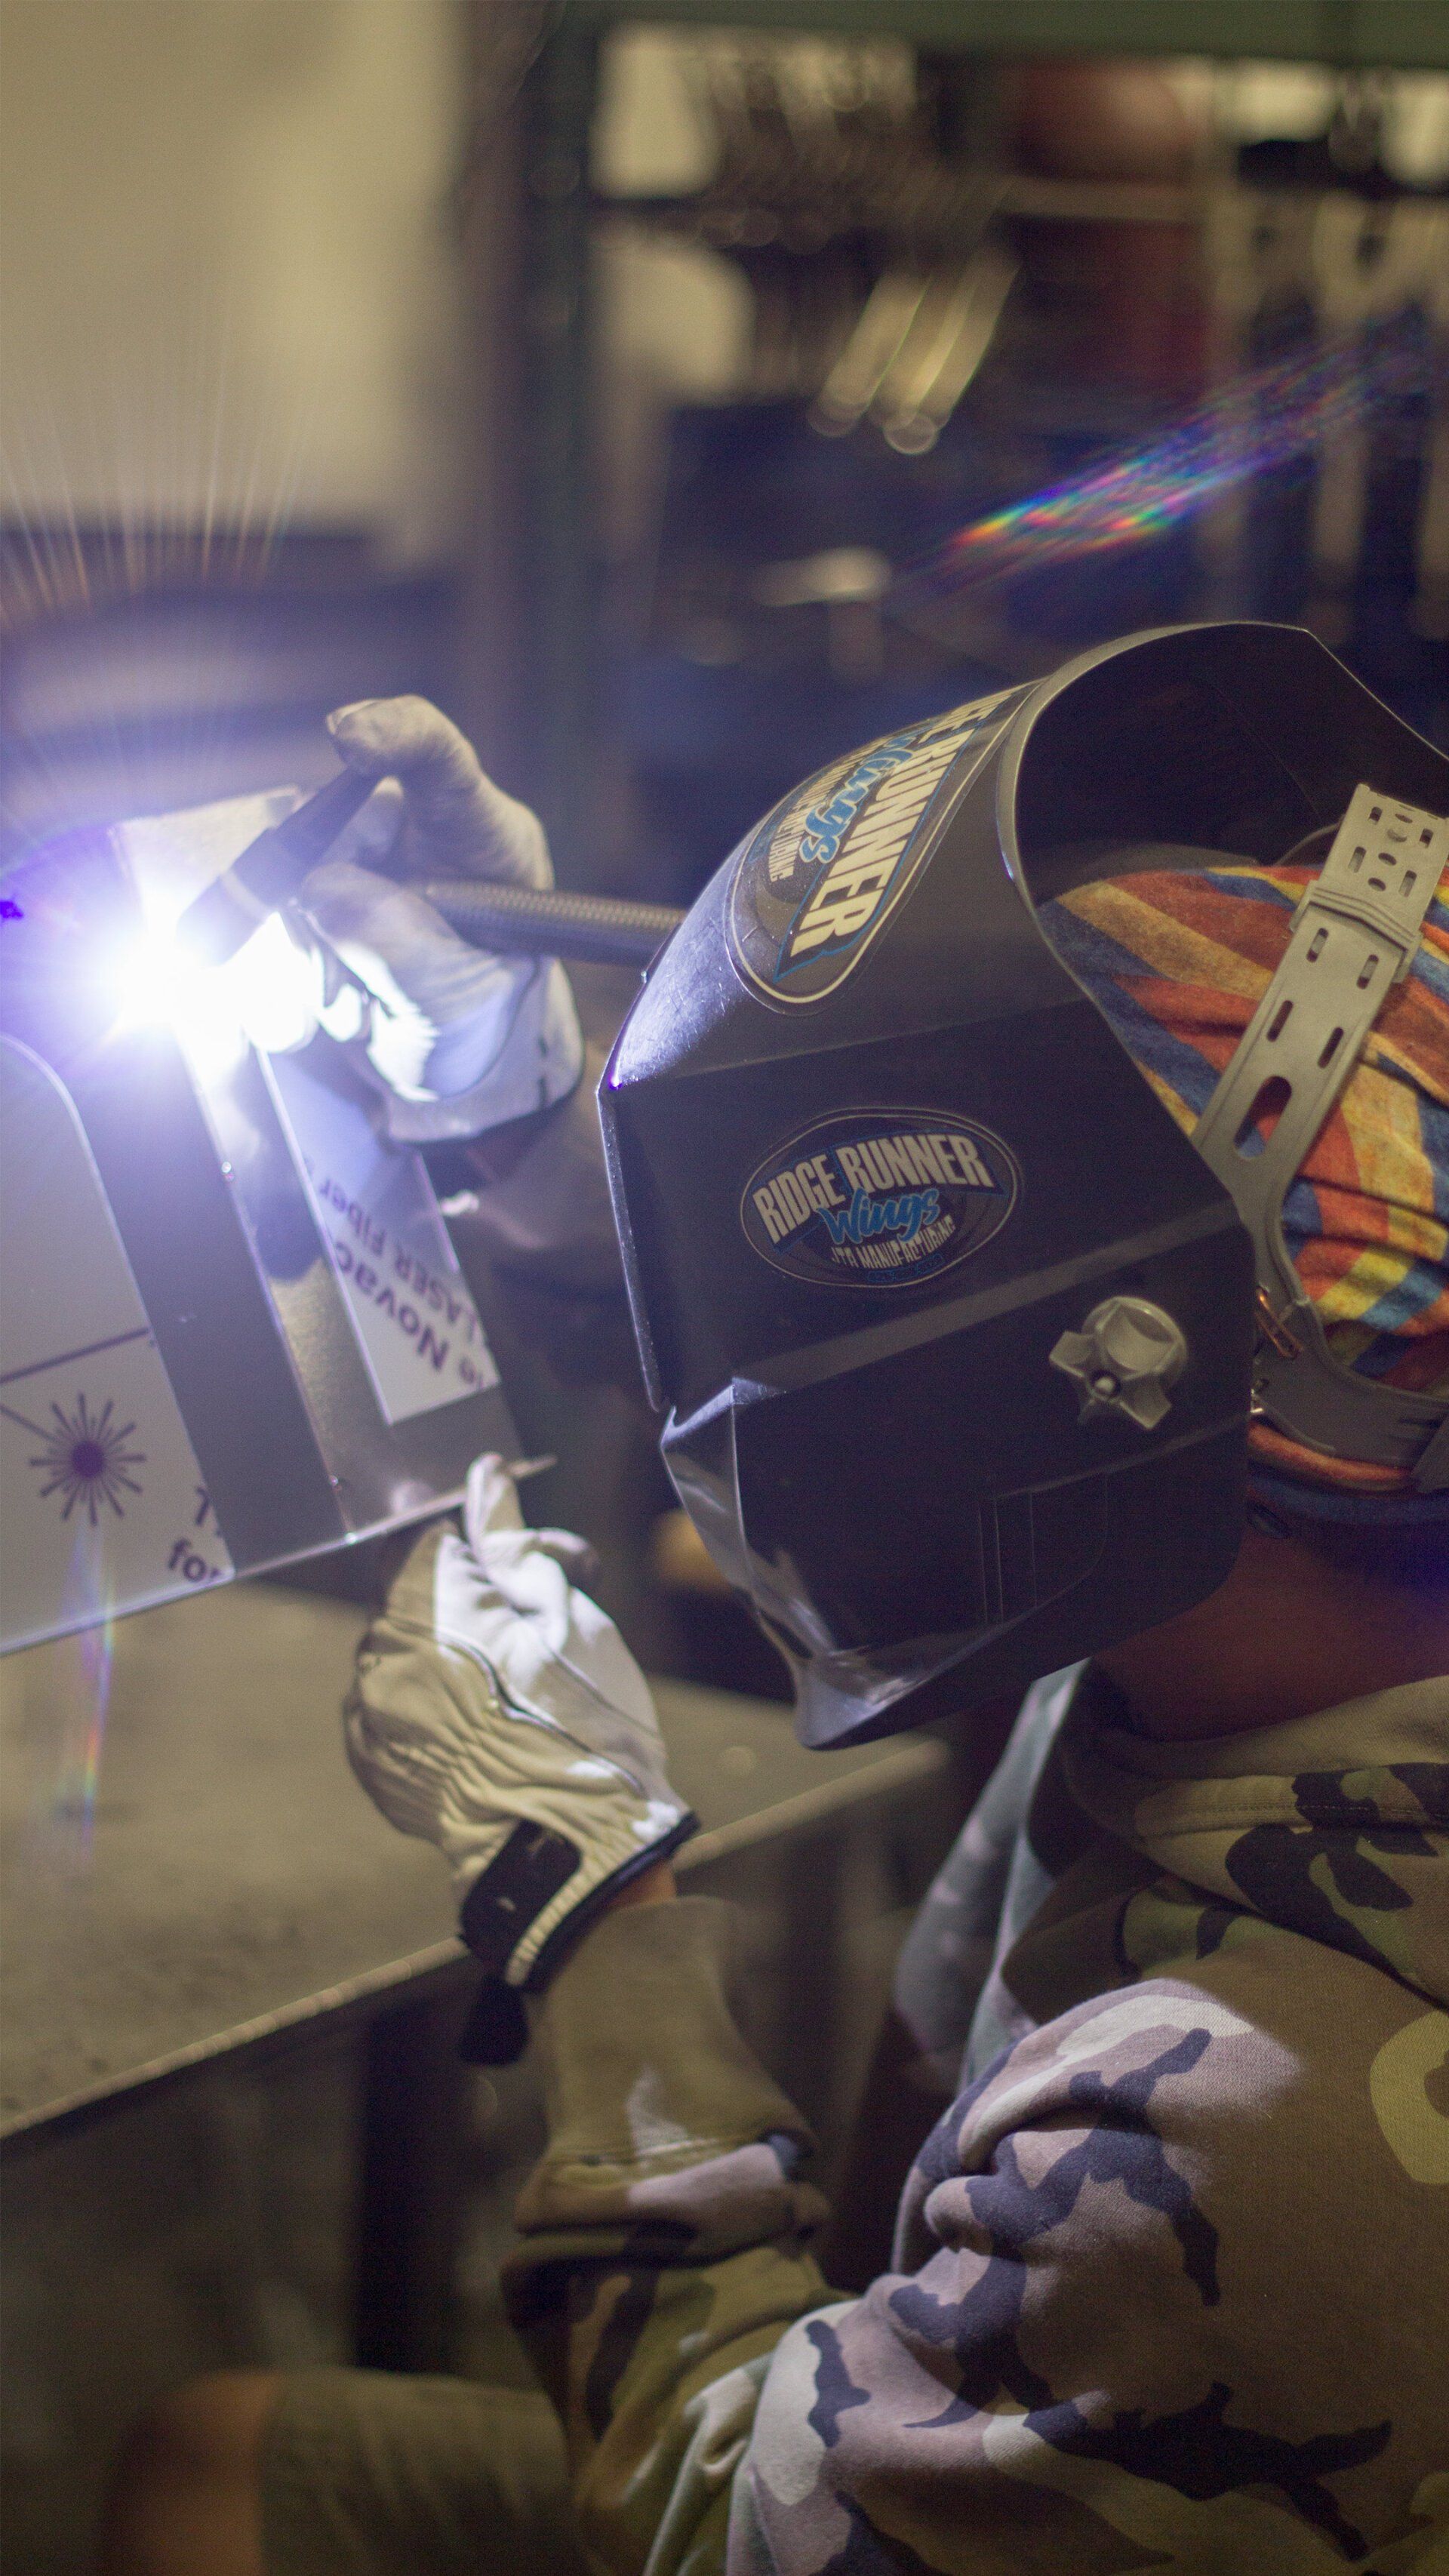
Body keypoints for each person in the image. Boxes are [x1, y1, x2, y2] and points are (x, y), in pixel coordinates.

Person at [103, 634, 1449, 2575]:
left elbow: (744, 2533)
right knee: (222, 2467)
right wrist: (524, 1106)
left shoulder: (1255, 2142)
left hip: (917, 2467)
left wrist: (592, 1907)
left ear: (1116, 1378)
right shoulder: (1274, 1543)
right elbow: (965, 1294)